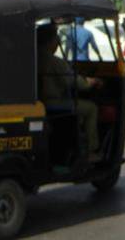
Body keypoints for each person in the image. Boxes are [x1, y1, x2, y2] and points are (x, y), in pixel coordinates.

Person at [37, 23, 102, 162]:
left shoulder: (31, 59)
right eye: (56, 39)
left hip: (38, 103)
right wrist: (90, 82)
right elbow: (75, 83)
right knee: (91, 108)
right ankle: (91, 151)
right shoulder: (55, 62)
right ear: (50, 41)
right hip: (54, 103)